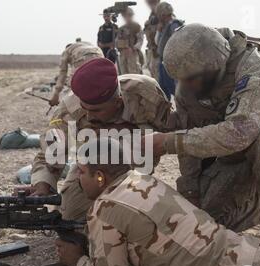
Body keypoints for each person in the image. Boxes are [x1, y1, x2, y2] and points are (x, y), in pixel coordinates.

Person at [56, 137, 260, 266]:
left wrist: (76, 261)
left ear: (100, 176)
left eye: (81, 172)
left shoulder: (105, 208)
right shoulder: (144, 181)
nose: (78, 179)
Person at [146, 24, 260, 238]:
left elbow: (238, 133)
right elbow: (190, 140)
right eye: (181, 79)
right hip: (239, 156)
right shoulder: (190, 87)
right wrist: (191, 193)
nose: (185, 85)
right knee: (203, 221)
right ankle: (258, 199)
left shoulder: (258, 69)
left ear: (214, 65)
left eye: (191, 78)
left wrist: (166, 142)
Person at [23, 58, 174, 221]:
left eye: (96, 111)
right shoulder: (69, 110)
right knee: (71, 217)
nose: (88, 116)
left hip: (135, 153)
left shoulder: (147, 95)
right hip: (91, 158)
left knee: (124, 211)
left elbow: (171, 136)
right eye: (84, 108)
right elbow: (51, 155)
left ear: (118, 102)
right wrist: (42, 186)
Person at [49, 41, 104, 107]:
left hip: (82, 58)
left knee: (73, 86)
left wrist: (56, 94)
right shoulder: (86, 44)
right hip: (99, 54)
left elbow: (63, 73)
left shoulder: (66, 51)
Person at [154, 2, 184, 99]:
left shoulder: (174, 25)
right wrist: (159, 30)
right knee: (163, 88)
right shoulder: (165, 26)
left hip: (170, 62)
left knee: (173, 88)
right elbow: (157, 42)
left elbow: (177, 43)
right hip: (164, 61)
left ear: (163, 14)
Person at [115, 7, 144, 75]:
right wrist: (120, 47)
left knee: (134, 73)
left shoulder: (136, 26)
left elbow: (140, 39)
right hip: (122, 54)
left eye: (129, 15)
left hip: (133, 54)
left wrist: (134, 48)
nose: (127, 17)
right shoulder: (121, 28)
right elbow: (117, 41)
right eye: (125, 15)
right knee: (123, 73)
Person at [144, 0, 161, 80]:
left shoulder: (162, 13)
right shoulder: (152, 15)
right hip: (152, 48)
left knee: (159, 71)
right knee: (152, 69)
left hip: (160, 49)